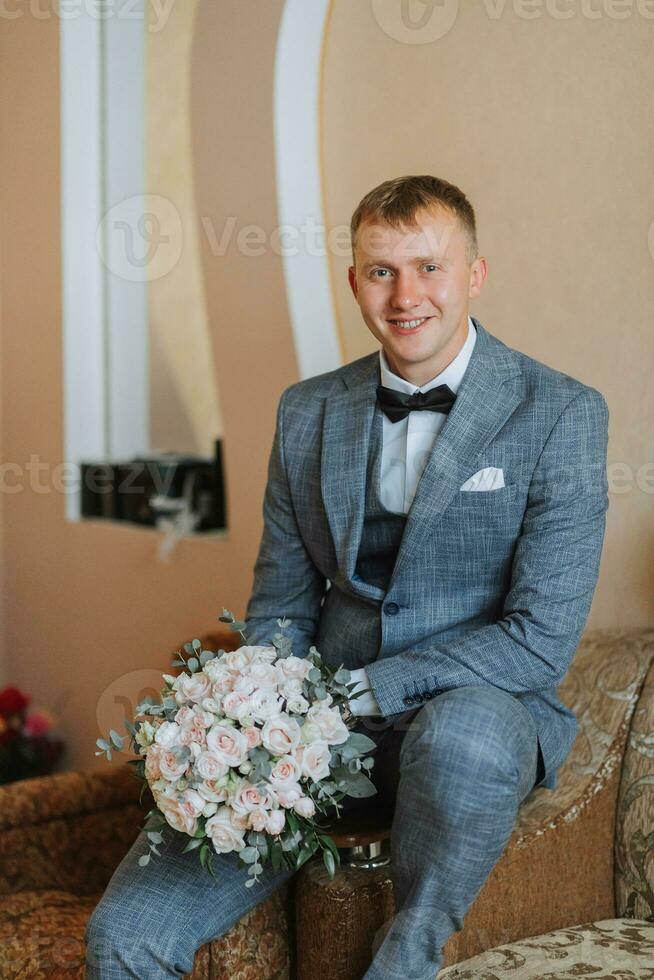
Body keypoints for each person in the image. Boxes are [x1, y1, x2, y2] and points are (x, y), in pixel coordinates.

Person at [85, 175, 609, 979]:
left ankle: (407, 954)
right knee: (123, 936)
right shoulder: (307, 412)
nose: (406, 296)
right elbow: (281, 608)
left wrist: (362, 691)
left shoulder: (561, 412)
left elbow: (538, 644)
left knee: (462, 732)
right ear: (355, 280)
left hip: (481, 719)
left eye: (429, 267)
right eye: (380, 271)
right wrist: (260, 717)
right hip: (321, 733)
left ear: (475, 274)